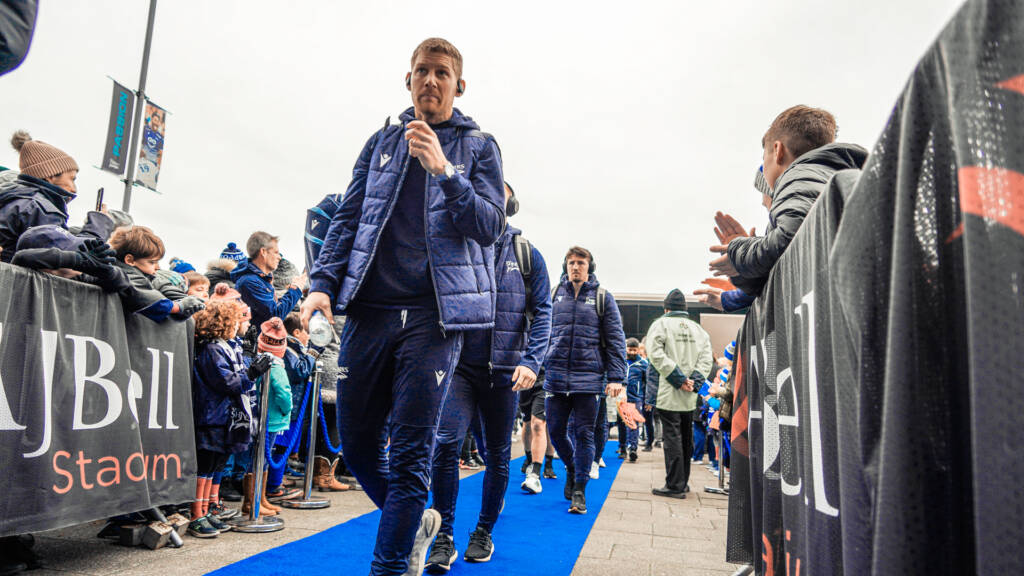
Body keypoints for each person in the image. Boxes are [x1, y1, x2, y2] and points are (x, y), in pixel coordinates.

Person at [301, 37, 504, 576]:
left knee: (413, 451)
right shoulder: (380, 143)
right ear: (408, 79)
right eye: (421, 71)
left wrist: (445, 171)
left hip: (435, 318)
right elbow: (349, 218)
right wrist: (322, 284)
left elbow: (490, 225)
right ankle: (415, 525)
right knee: (356, 444)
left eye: (442, 73)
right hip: (369, 310)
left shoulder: (479, 146)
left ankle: (389, 567)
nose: (430, 80)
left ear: (459, 85)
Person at [426, 182, 551, 571]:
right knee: (445, 444)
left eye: (501, 192)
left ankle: (483, 531)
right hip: (459, 367)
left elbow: (543, 311)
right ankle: (443, 536)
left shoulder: (527, 254)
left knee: (497, 454)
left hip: (506, 373)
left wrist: (532, 360)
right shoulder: (456, 245)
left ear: (510, 205)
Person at [708, 106, 868, 296]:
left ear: (778, 151)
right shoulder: (832, 177)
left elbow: (795, 236)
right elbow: (787, 267)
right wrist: (744, 268)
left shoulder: (799, 176)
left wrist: (740, 252)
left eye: (764, 157)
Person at [543, 246, 627, 514]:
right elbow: (540, 331)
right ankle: (571, 467)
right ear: (565, 266)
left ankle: (579, 489)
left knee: (584, 433)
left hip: (589, 378)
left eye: (580, 262)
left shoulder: (603, 298)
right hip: (556, 376)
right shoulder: (553, 295)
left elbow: (616, 339)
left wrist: (616, 377)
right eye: (571, 262)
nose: (575, 267)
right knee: (556, 431)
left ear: (590, 267)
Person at [191, 301, 273, 536]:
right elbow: (227, 382)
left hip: (225, 415)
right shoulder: (211, 349)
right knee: (205, 466)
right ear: (223, 323)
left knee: (215, 465)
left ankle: (207, 509)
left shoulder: (225, 347)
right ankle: (197, 514)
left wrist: (249, 362)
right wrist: (251, 373)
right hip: (213, 416)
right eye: (235, 320)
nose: (238, 324)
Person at [0, 131, 113, 261]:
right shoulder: (41, 208)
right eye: (72, 179)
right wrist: (98, 225)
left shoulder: (15, 198)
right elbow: (68, 257)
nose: (74, 189)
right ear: (50, 176)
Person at [645, 289, 713, 499]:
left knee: (672, 438)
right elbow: (706, 359)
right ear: (685, 309)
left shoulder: (660, 325)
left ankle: (674, 485)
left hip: (668, 391)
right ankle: (682, 483)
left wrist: (678, 378)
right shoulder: (699, 330)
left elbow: (655, 354)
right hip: (689, 394)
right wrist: (693, 381)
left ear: (666, 309)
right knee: (686, 436)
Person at [109, 226, 205, 322]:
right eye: (152, 262)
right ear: (130, 260)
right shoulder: (128, 276)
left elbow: (164, 289)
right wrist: (178, 306)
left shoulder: (147, 277)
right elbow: (144, 297)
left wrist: (188, 302)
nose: (157, 267)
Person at [233, 231, 306, 329]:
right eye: (276, 252)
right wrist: (295, 289)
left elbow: (273, 309)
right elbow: (275, 315)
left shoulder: (261, 280)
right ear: (263, 252)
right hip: (257, 338)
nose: (279, 257)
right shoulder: (249, 282)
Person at [518, 369, 558, 482]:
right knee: (527, 423)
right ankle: (529, 458)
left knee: (539, 423)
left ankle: (544, 466)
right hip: (525, 381)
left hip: (546, 380)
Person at [623, 338, 648, 462]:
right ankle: (623, 447)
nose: (632, 352)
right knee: (622, 423)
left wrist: (647, 399)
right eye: (630, 350)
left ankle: (633, 448)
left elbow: (647, 382)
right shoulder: (621, 361)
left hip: (636, 397)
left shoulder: (643, 363)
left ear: (638, 350)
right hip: (621, 397)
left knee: (633, 423)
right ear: (626, 349)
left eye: (635, 350)